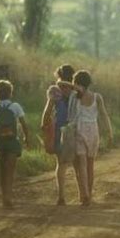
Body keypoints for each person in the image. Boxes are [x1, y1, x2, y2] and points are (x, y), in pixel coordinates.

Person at [72, 70, 113, 206]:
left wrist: (76, 87)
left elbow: (60, 83)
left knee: (83, 164)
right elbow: (104, 115)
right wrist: (109, 131)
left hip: (80, 130)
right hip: (93, 131)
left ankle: (86, 194)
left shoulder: (75, 97)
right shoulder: (97, 97)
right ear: (89, 83)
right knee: (90, 165)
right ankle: (88, 194)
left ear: (76, 83)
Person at [0, 80, 29, 209]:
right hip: (12, 141)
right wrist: (27, 137)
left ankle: (3, 195)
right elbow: (23, 123)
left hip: (0, 142)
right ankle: (8, 197)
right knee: (10, 170)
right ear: (10, 93)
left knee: (2, 169)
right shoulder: (15, 106)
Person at [41, 64, 78, 206]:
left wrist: (44, 125)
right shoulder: (76, 90)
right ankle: (83, 193)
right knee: (77, 163)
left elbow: (48, 110)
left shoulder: (55, 91)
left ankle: (61, 195)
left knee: (61, 164)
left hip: (59, 130)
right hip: (74, 130)